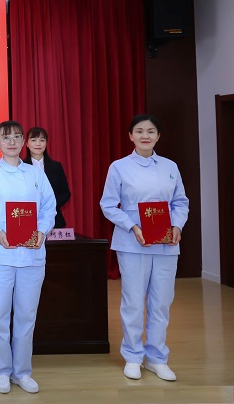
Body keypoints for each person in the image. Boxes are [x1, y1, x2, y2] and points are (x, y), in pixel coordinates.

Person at [0, 120, 56, 395]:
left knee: (27, 316)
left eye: (17, 137)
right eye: (6, 138)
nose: (12, 142)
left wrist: (42, 230)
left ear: (23, 141)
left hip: (31, 255)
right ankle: (2, 371)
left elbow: (49, 208)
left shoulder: (36, 174)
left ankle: (22, 372)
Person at [100, 114, 188, 382]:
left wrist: (177, 225)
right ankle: (133, 356)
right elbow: (108, 205)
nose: (145, 136)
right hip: (132, 243)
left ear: (158, 136)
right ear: (131, 136)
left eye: (151, 131)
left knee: (161, 302)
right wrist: (132, 226)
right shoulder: (119, 167)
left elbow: (180, 202)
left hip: (166, 244)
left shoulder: (170, 166)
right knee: (134, 302)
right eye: (139, 131)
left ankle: (157, 358)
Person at [22, 127, 71, 228]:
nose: (38, 144)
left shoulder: (56, 166)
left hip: (53, 219)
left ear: (46, 143)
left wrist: (50, 205)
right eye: (33, 140)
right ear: (26, 144)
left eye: (42, 140)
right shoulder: (20, 167)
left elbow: (65, 193)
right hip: (26, 219)